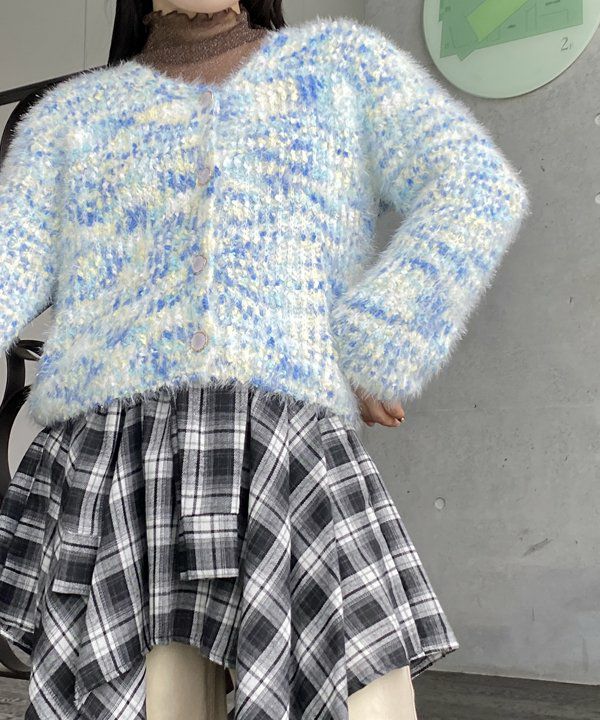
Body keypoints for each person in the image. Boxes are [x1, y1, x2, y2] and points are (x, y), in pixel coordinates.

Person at [0, 1, 530, 718]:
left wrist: (381, 337)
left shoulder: (341, 69)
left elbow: (474, 186)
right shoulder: (72, 115)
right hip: (121, 471)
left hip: (284, 460)